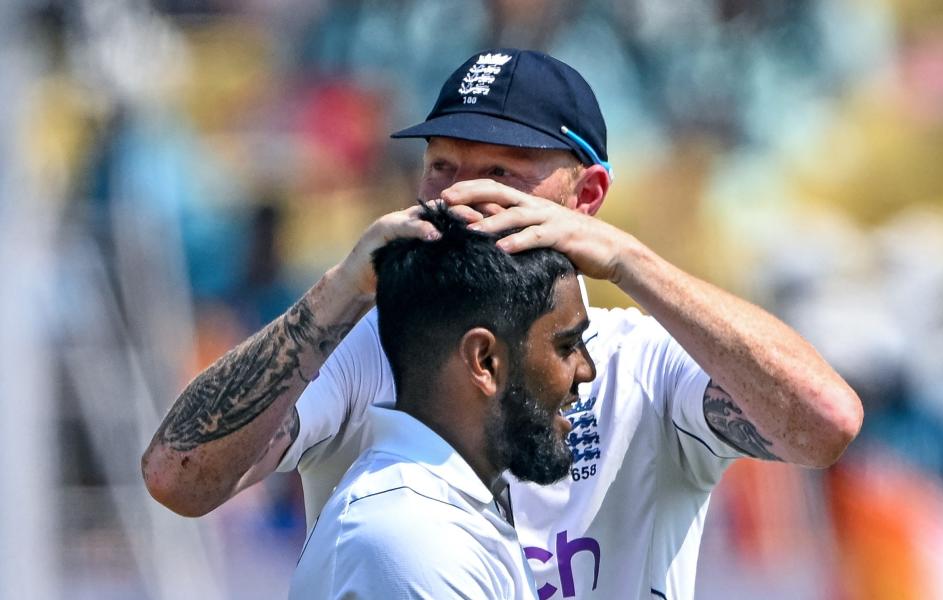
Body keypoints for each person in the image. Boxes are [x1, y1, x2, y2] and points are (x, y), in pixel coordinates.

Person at [142, 49, 863, 600]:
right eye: (441, 167)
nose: (459, 198)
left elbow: (824, 421)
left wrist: (630, 261)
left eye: (501, 171)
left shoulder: (638, 362)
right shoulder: (374, 347)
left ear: (588, 195)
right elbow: (180, 480)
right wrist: (340, 291)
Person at [290, 204, 593, 598]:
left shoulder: (441, 513)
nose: (587, 370)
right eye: (567, 345)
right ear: (484, 360)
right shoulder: (411, 537)